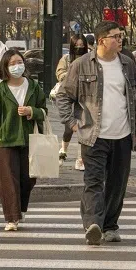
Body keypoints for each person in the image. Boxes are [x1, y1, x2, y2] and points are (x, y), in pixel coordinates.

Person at [56, 21, 136, 246]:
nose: (120, 39)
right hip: (93, 134)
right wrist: (73, 123)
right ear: (101, 40)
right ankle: (93, 224)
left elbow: (134, 96)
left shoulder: (128, 64)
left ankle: (110, 225)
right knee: (93, 181)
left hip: (122, 134)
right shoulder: (82, 64)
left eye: (121, 35)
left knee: (117, 183)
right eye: (116, 36)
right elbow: (63, 96)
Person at [0, 50, 47, 231]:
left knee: (28, 178)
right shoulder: (1, 90)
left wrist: (32, 111)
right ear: (5, 68)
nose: (17, 66)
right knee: (8, 180)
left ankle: (21, 208)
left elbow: (44, 110)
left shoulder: (33, 86)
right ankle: (11, 217)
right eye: (12, 63)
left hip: (29, 139)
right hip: (4, 140)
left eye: (19, 62)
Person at [56, 34, 88, 171]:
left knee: (83, 125)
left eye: (82, 45)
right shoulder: (67, 59)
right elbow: (59, 73)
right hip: (69, 91)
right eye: (77, 45)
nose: (79, 47)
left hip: (85, 93)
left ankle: (80, 158)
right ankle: (63, 149)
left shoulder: (89, 58)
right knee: (69, 126)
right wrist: (70, 75)